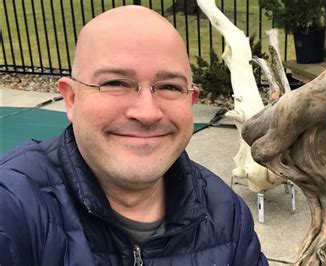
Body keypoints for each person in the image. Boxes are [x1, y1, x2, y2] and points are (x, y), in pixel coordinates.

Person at [0, 5, 267, 265]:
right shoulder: (12, 208)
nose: (147, 112)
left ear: (191, 100)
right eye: (115, 83)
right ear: (71, 99)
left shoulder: (226, 215)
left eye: (170, 87)